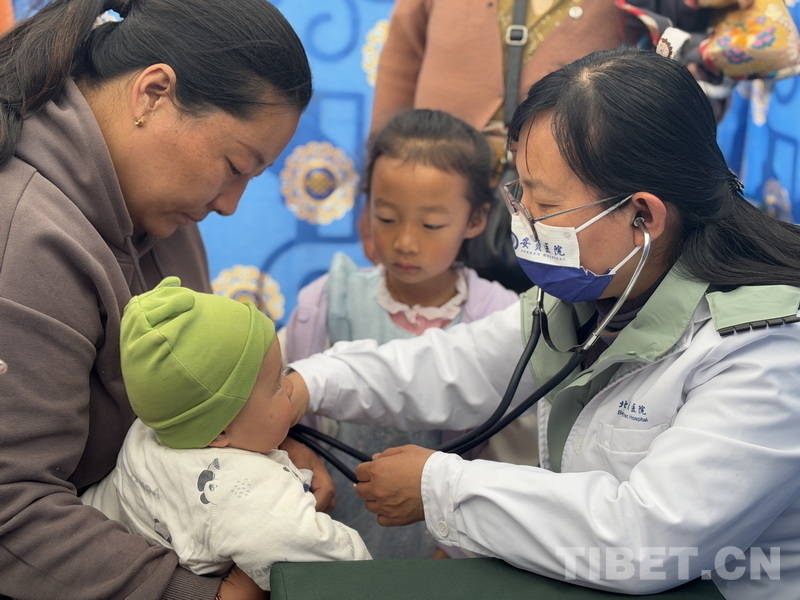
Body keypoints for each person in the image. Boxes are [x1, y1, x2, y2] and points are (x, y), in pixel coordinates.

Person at [284, 47, 800, 598]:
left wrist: (442, 488)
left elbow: (647, 539)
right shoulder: (592, 294)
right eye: (521, 190)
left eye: (546, 205)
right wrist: (305, 385)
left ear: (643, 216)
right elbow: (453, 365)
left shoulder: (765, 352)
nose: (523, 219)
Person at [0, 1, 325, 599]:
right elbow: (12, 511)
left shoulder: (161, 214)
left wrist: (265, 442)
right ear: (152, 94)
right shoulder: (24, 241)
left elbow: (199, 393)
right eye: (235, 166)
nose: (229, 204)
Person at [282, 108, 519, 559]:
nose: (405, 242)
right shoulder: (327, 303)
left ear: (476, 219)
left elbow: (511, 455)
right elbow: (287, 417)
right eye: (387, 217)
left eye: (431, 225)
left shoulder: (501, 317)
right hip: (331, 534)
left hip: (449, 550)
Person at [81, 278, 371, 591]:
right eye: (276, 384)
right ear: (219, 431)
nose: (290, 387)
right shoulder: (250, 494)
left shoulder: (148, 431)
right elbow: (344, 568)